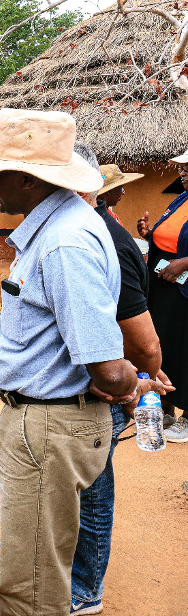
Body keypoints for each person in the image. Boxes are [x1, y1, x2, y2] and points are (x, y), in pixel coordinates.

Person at [0, 108, 142, 616]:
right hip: (44, 421)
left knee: (31, 588)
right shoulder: (60, 227)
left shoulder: (64, 242)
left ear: (31, 179)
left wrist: (130, 383)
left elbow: (105, 367)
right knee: (37, 560)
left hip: (50, 426)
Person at [137, 152, 188, 441]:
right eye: (182, 169)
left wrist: (184, 262)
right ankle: (166, 409)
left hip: (184, 288)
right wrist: (149, 235)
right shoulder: (181, 199)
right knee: (164, 344)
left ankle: (187, 417)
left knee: (185, 348)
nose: (182, 173)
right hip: (166, 285)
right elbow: (171, 236)